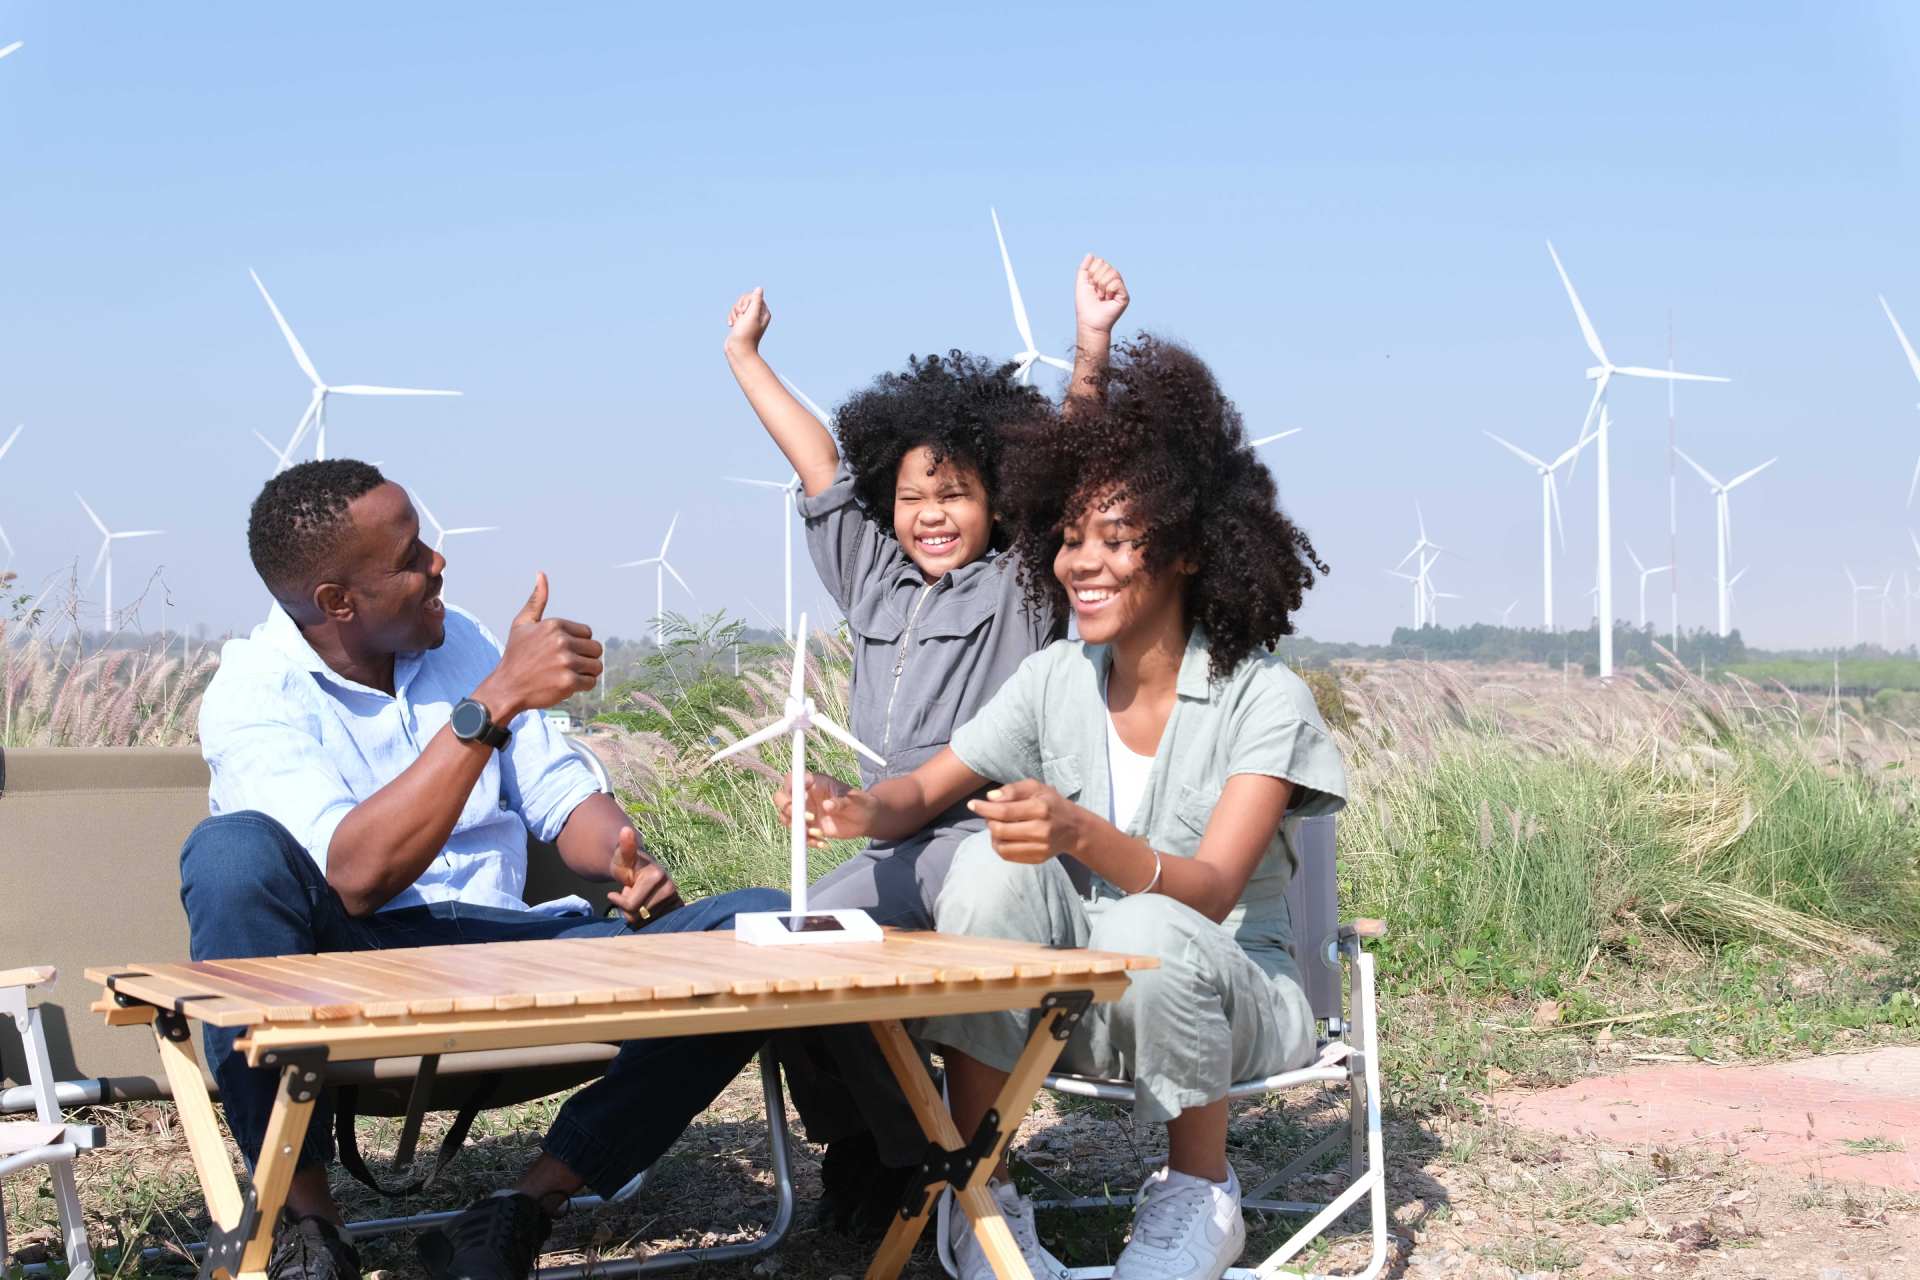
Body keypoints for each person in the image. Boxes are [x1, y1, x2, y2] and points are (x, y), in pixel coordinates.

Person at [807, 335, 1348, 1280]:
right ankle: (986, 1196)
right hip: (1079, 998)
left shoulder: (1265, 698)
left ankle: (1197, 1194)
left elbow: (1212, 893)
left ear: (1182, 552)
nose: (1077, 564)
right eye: (1069, 538)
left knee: (1155, 922)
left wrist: (1079, 831)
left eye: (1113, 541)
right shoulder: (1055, 677)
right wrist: (857, 807)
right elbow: (924, 793)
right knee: (982, 867)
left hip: (1232, 992)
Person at [185, 460, 789, 1280]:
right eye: (409, 557)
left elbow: (560, 796)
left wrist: (625, 856)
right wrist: (494, 701)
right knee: (228, 853)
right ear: (337, 603)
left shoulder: (455, 637)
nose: (439, 562)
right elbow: (355, 876)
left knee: (760, 927)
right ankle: (305, 1225)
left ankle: (520, 1208)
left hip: (504, 952)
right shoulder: (254, 693)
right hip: (357, 964)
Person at [719, 255, 1129, 1233]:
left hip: (983, 840)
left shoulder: (1020, 585)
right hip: (889, 844)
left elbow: (1068, 465)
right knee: (792, 965)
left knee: (966, 947)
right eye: (911, 495)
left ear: (999, 501)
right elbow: (817, 463)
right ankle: (883, 1150)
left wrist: (1091, 346)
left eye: (955, 493)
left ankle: (976, 1183)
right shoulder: (871, 576)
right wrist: (745, 358)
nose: (931, 514)